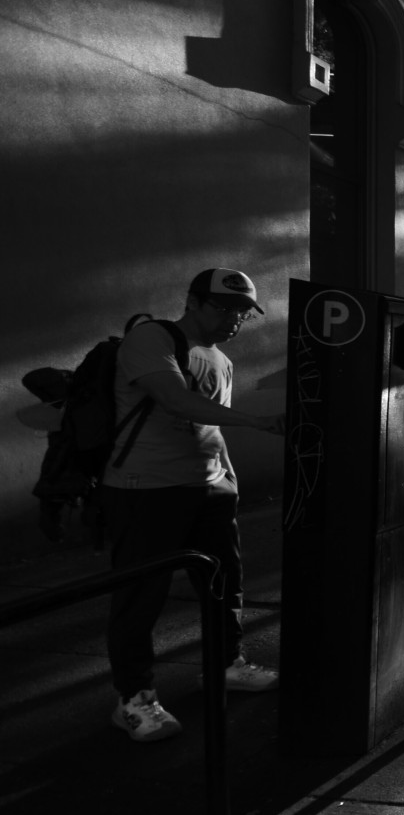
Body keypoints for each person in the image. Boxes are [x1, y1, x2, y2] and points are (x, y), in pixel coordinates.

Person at [104, 268, 285, 743]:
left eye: (243, 312)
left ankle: (225, 665)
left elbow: (210, 428)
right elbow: (175, 400)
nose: (234, 319)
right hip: (146, 488)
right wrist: (257, 421)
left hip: (209, 488)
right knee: (140, 597)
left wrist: (227, 479)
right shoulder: (152, 338)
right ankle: (133, 699)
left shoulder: (221, 360)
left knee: (224, 585)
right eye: (224, 308)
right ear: (193, 302)